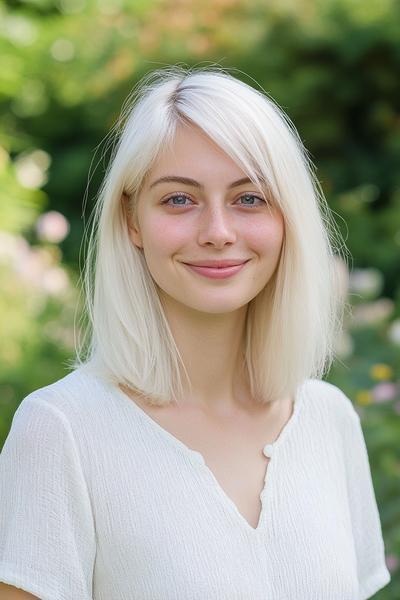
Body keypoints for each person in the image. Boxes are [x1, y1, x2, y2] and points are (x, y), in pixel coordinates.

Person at [0, 65, 391, 600]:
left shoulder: (328, 419)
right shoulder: (62, 431)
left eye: (249, 197)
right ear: (132, 221)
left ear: (288, 219)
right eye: (179, 199)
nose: (218, 232)